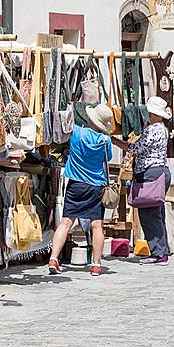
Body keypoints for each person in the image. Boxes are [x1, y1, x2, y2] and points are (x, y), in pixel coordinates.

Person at [48, 103, 114, 277]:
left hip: (76, 184)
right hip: (95, 185)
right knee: (96, 225)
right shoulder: (105, 141)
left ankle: (54, 259)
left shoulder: (76, 132)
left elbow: (65, 124)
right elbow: (109, 157)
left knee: (66, 222)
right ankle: (96, 265)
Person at [112, 96, 172, 266]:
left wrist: (116, 142)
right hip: (159, 171)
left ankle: (159, 253)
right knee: (157, 213)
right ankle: (161, 250)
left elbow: (135, 149)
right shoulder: (162, 129)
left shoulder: (153, 130)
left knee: (149, 213)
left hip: (151, 173)